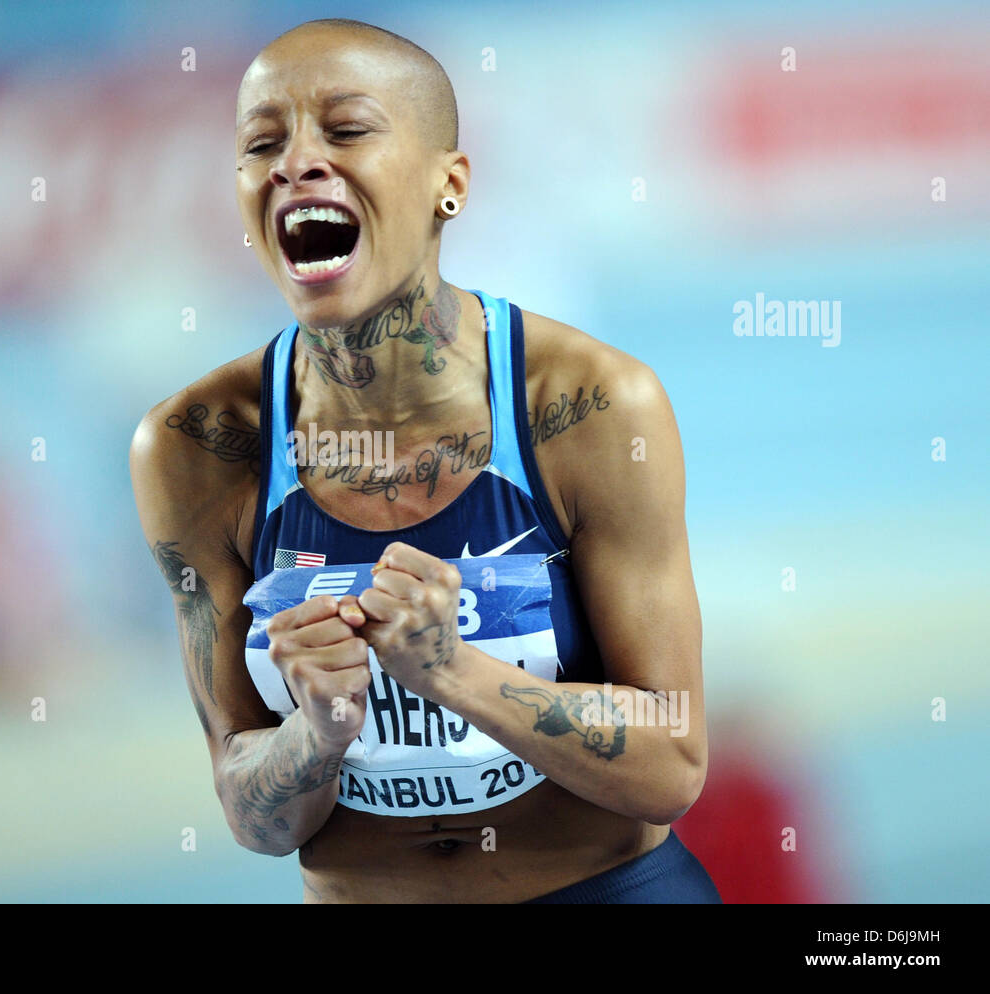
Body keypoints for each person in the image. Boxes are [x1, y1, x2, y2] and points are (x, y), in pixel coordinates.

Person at [130, 17, 720, 903]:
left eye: (346, 128)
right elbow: (253, 819)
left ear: (449, 184)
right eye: (262, 144)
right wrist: (314, 735)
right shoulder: (197, 448)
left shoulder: (588, 407)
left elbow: (672, 765)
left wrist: (453, 671)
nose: (296, 162)